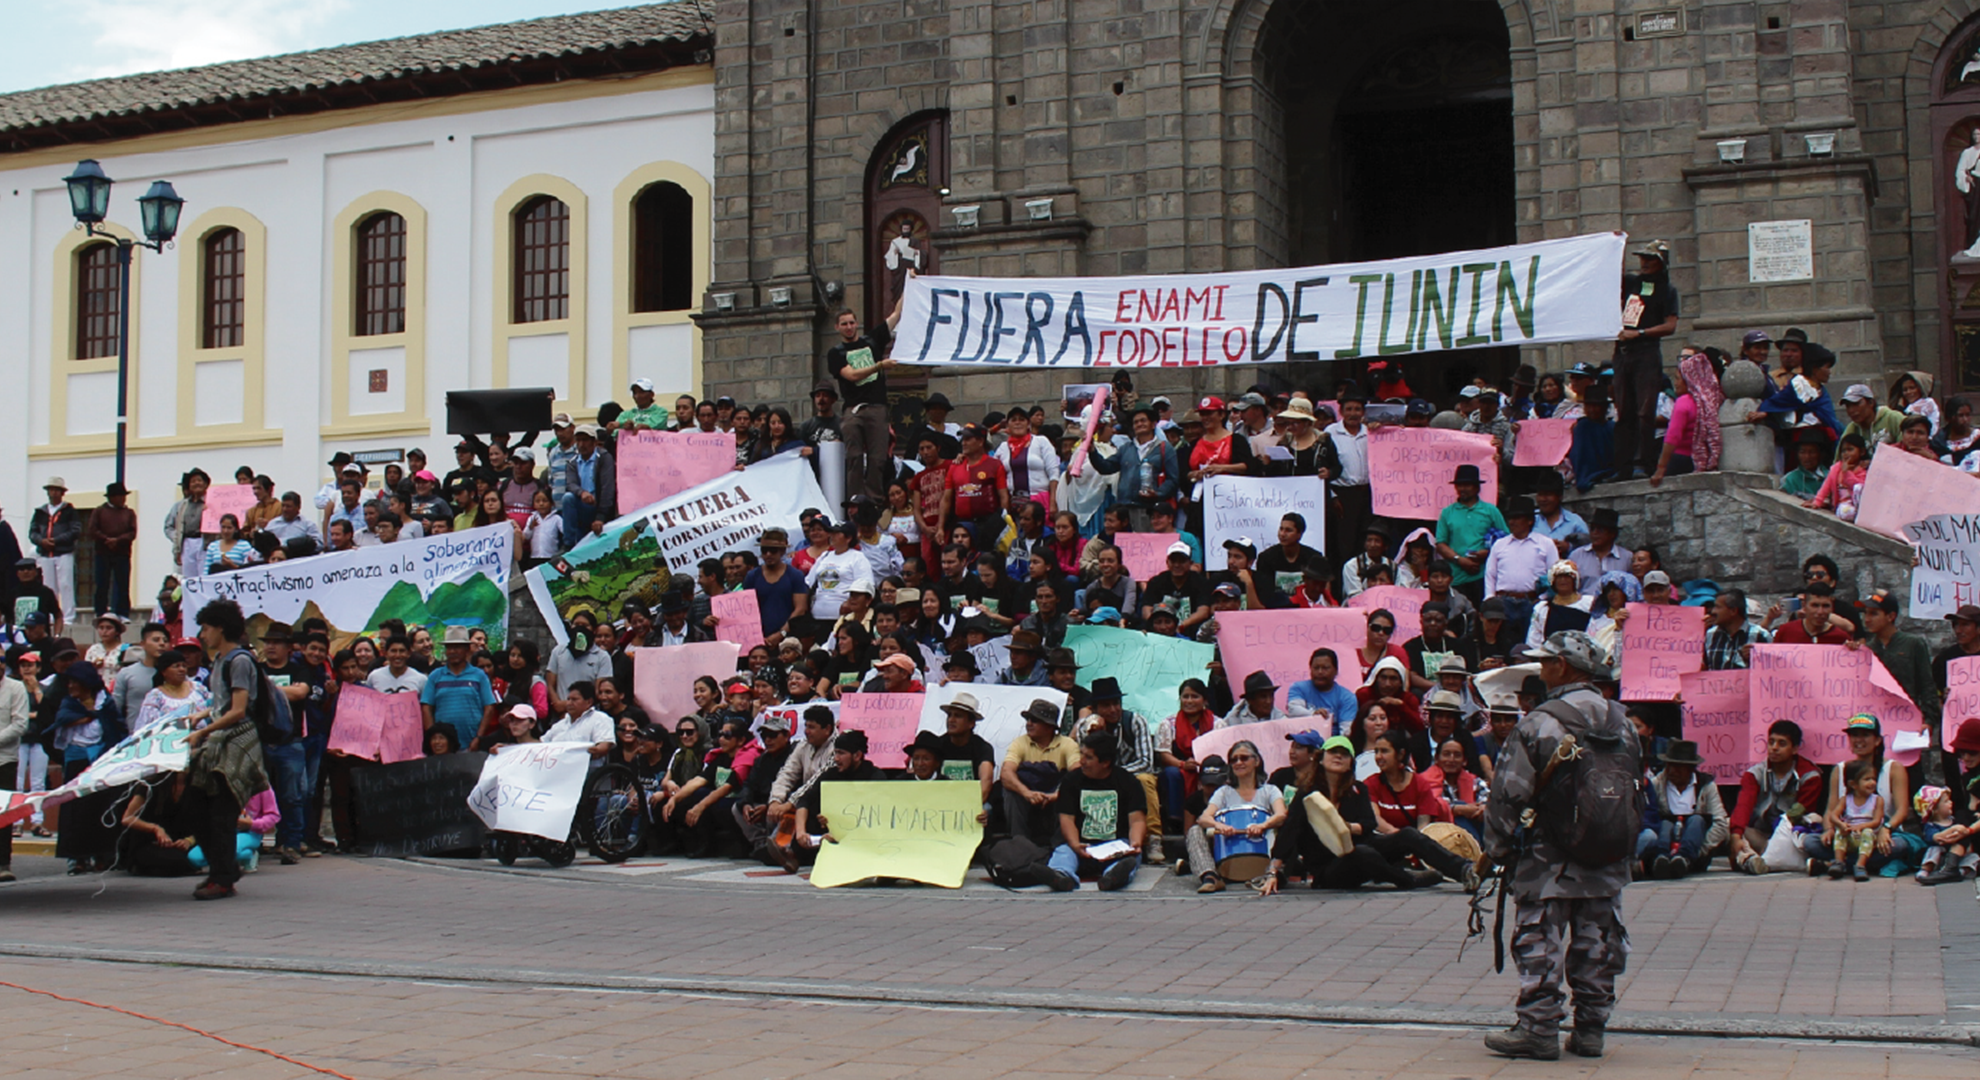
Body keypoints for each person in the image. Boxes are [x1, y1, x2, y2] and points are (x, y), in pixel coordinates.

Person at [1482, 630, 1638, 1061]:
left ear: (1563, 667)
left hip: (1547, 857)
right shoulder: (1622, 721)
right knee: (1598, 942)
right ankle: (1590, 1029)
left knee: (1539, 940)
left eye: (1546, 661)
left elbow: (1508, 794)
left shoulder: (1539, 721)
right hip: (1606, 854)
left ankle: (1537, 1029)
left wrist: (1498, 851)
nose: (1541, 668)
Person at [186, 599, 271, 901]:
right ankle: (222, 870)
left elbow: (237, 710)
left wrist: (203, 730)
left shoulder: (240, 661)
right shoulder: (220, 661)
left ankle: (222, 878)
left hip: (235, 744)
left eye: (206, 627)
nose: (203, 634)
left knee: (221, 813)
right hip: (219, 742)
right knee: (197, 807)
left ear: (220, 628)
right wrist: (203, 714)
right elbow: (221, 703)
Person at [1072, 677, 1164, 863]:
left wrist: (1117, 775)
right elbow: (1086, 759)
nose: (1113, 710)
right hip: (1098, 777)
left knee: (1146, 779)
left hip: (1131, 775)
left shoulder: (1135, 722)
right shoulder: (1086, 725)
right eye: (1106, 705)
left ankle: (1154, 838)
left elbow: (1146, 761)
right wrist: (1097, 731)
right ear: (1095, 708)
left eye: (1116, 703)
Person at [1044, 731, 1147, 892]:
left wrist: (1136, 842)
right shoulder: (1071, 781)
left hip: (1114, 845)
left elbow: (1137, 820)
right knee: (1063, 852)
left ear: (1105, 762)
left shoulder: (1128, 782)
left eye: (1089, 758)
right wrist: (1076, 844)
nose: (1082, 761)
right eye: (1082, 755)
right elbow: (1066, 819)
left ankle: (1112, 877)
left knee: (1128, 859)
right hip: (1080, 844)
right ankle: (1061, 876)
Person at [1181, 739, 1285, 893]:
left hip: (1264, 851)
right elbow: (1204, 818)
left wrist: (1263, 825)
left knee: (1283, 830)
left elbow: (1281, 814)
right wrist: (1219, 825)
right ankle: (1210, 877)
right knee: (1195, 831)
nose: (1238, 763)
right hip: (1227, 856)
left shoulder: (1270, 790)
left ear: (1256, 761)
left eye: (1244, 758)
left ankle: (1273, 873)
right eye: (1233, 760)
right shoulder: (1223, 792)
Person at [1613, 240, 1679, 481]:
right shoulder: (1632, 282)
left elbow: (1671, 325)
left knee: (1644, 411)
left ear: (1661, 263)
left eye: (1651, 259)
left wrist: (1640, 333)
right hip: (1622, 352)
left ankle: (1643, 462)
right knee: (1624, 411)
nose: (1644, 263)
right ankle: (1623, 466)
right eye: (1642, 258)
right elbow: (1610, 278)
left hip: (1647, 352)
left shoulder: (1667, 290)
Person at [1726, 720, 1823, 875]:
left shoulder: (1810, 776)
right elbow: (1744, 805)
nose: (1774, 748)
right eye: (1771, 742)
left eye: (1782, 744)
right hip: (1760, 835)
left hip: (1790, 837)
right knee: (1729, 825)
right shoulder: (1754, 774)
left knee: (1813, 820)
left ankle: (1750, 860)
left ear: (1795, 749)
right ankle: (1752, 859)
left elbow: (1802, 812)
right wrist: (1736, 835)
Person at [1636, 740, 1727, 879]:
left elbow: (1721, 823)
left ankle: (1684, 859)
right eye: (1670, 766)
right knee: (1665, 823)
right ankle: (1661, 859)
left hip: (1695, 848)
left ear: (1690, 768)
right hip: (1665, 843)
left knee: (1697, 820)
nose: (1672, 771)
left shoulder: (1707, 786)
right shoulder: (1657, 784)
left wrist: (1701, 849)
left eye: (1678, 767)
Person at [1001, 698, 1081, 845]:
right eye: (1028, 719)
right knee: (1010, 791)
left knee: (1070, 792)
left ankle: (1061, 845)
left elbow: (1077, 774)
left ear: (1050, 726)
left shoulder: (1068, 744)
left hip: (1055, 798)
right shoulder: (1019, 742)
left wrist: (1056, 795)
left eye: (1035, 720)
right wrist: (1027, 793)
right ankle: (1020, 843)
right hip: (1027, 796)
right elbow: (1006, 773)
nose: (1029, 723)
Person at [1434, 464, 1507, 605]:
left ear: (1477, 487)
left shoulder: (1491, 511)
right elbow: (1441, 544)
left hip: (1485, 576)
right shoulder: (1447, 513)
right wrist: (1459, 560)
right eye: (1459, 485)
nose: (1462, 489)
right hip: (1456, 577)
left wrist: (1487, 553)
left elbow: (1506, 541)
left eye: (1467, 485)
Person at [421, 626, 499, 751]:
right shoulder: (435, 676)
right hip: (443, 747)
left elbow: (489, 708)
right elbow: (426, 708)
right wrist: (433, 737)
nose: (453, 651)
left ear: (467, 649)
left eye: (457, 647)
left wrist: (479, 737)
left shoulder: (479, 676)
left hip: (472, 743)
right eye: (449, 647)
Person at [28, 479, 80, 626]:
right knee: (49, 586)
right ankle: (51, 615)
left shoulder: (70, 511)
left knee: (66, 584)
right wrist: (42, 541)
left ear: (62, 493)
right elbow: (32, 532)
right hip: (45, 553)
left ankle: (68, 616)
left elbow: (75, 531)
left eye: (57, 490)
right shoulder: (40, 512)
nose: (54, 493)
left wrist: (56, 540)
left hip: (63, 552)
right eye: (51, 490)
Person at [1824, 759, 1885, 882]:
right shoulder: (1845, 799)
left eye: (1873, 779)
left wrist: (1860, 827)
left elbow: (1876, 821)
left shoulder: (1877, 800)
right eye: (1867, 779)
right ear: (1853, 784)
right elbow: (1833, 816)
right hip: (1850, 838)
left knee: (1870, 833)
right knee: (1832, 836)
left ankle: (1860, 865)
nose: (1872, 782)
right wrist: (1841, 825)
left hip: (1869, 839)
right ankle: (1839, 863)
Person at [1287, 647, 1357, 735]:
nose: (1320, 672)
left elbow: (1346, 732)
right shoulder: (1298, 688)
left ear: (1336, 671)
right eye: (1316, 668)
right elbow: (1293, 710)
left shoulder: (1347, 698)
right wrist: (1313, 715)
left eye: (1325, 668)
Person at [1703, 589, 1769, 670]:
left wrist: (1752, 660)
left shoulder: (1760, 635)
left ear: (1733, 611)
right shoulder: (1710, 634)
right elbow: (1704, 667)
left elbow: (1769, 672)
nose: (1713, 611)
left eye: (1718, 607)